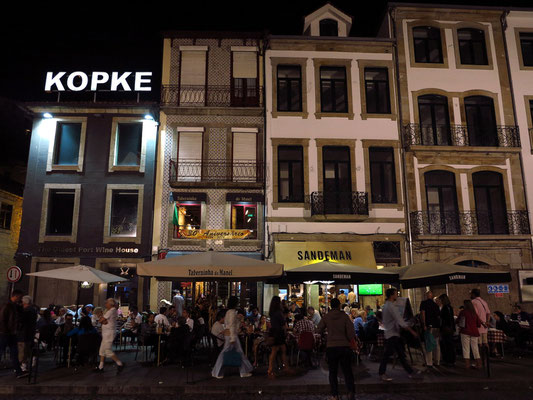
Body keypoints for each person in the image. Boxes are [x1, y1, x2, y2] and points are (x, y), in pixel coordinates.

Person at [379, 288, 421, 382]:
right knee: (390, 354)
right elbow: (400, 321)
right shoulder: (391, 307)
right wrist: (412, 331)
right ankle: (382, 373)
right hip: (392, 334)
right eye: (396, 293)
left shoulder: (386, 306)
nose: (397, 295)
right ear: (391, 295)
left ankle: (410, 371)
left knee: (400, 354)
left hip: (391, 333)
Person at [317, 297, 356, 400]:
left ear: (330, 306)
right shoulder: (345, 316)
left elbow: (318, 329)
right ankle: (350, 392)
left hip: (331, 347)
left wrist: (326, 333)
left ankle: (335, 395)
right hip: (344, 347)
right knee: (347, 371)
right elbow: (351, 333)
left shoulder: (327, 316)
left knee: (333, 372)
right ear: (339, 305)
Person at [211, 296, 253, 379]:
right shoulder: (232, 312)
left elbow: (229, 324)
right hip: (231, 335)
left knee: (230, 353)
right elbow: (232, 326)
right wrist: (233, 338)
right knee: (237, 353)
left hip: (229, 335)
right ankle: (243, 371)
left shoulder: (229, 312)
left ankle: (218, 371)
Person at [0, 289, 26, 378]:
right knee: (3, 351)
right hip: (5, 333)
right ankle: (18, 371)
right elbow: (2, 319)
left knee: (15, 353)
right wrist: (6, 330)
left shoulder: (14, 306)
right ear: (16, 296)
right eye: (20, 297)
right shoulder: (7, 305)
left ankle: (18, 372)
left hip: (11, 333)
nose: (21, 299)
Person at [94, 298, 124, 374]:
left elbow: (101, 320)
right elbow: (103, 321)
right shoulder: (111, 311)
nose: (105, 304)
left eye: (106, 303)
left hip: (109, 333)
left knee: (107, 350)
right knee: (102, 350)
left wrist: (102, 320)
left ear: (110, 304)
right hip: (106, 332)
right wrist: (103, 320)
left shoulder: (111, 311)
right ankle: (101, 367)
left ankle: (119, 363)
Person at [267, 296, 293, 379]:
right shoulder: (278, 313)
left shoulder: (272, 312)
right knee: (277, 351)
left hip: (275, 333)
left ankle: (285, 367)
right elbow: (283, 324)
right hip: (279, 334)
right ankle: (271, 370)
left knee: (281, 350)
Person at [458, 299, 482, 369]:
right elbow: (479, 324)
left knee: (466, 348)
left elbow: (459, 321)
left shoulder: (463, 312)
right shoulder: (474, 313)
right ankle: (479, 364)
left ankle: (467, 364)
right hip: (474, 332)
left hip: (465, 331)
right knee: (475, 348)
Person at [419, 291, 441, 368]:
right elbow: (438, 316)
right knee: (436, 343)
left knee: (429, 343)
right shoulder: (436, 305)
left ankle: (429, 362)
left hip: (429, 326)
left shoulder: (423, 303)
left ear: (426, 296)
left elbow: (423, 314)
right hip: (436, 326)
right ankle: (437, 361)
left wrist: (424, 324)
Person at [17, 296, 37, 373]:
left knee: (22, 350)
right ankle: (30, 360)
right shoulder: (33, 310)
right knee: (27, 349)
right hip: (29, 333)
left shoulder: (25, 311)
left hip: (23, 333)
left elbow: (21, 322)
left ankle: (23, 366)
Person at [438, 294, 455, 366]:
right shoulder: (450, 307)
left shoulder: (444, 308)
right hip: (450, 328)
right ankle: (451, 360)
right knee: (450, 344)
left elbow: (443, 318)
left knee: (446, 344)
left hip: (445, 328)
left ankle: (448, 360)